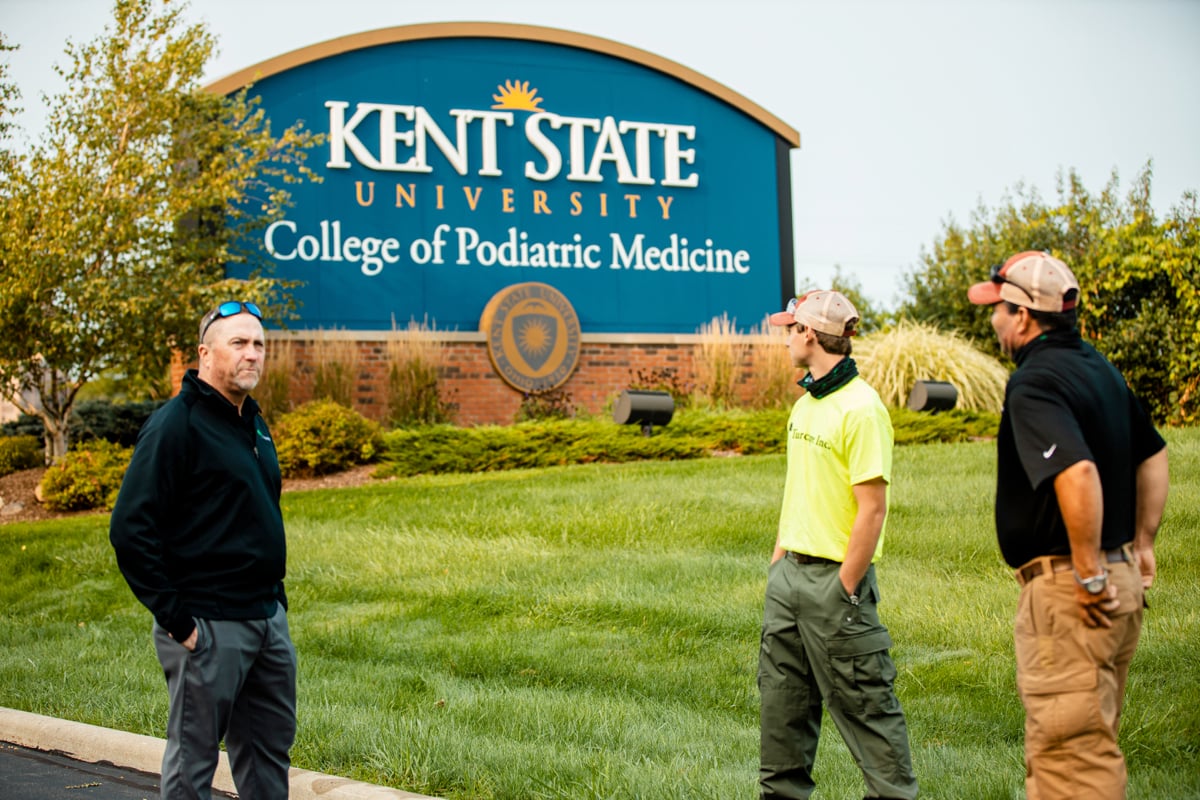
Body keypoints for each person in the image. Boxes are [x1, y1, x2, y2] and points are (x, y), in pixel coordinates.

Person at [967, 251, 1169, 800]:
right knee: (1075, 748)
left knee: (1072, 765)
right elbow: (1153, 455)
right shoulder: (1098, 368)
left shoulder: (1035, 382)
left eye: (1000, 311)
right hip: (1118, 576)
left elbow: (1076, 473)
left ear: (1025, 316)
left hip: (1074, 591)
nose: (994, 321)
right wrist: (1142, 547)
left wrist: (1087, 572)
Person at [110, 301, 296, 800]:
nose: (252, 354)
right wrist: (177, 620)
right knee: (193, 764)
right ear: (205, 353)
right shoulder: (177, 424)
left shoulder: (252, 421)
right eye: (238, 343)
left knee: (267, 755)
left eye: (258, 344)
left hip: (264, 620)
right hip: (207, 625)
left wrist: (275, 601)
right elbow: (131, 528)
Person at [759, 290, 918, 800]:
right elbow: (796, 488)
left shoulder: (862, 409)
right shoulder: (806, 405)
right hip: (789, 583)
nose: (786, 338)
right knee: (781, 717)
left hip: (835, 586)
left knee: (868, 712)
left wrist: (846, 584)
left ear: (809, 334)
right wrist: (779, 559)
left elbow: (873, 508)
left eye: (791, 329)